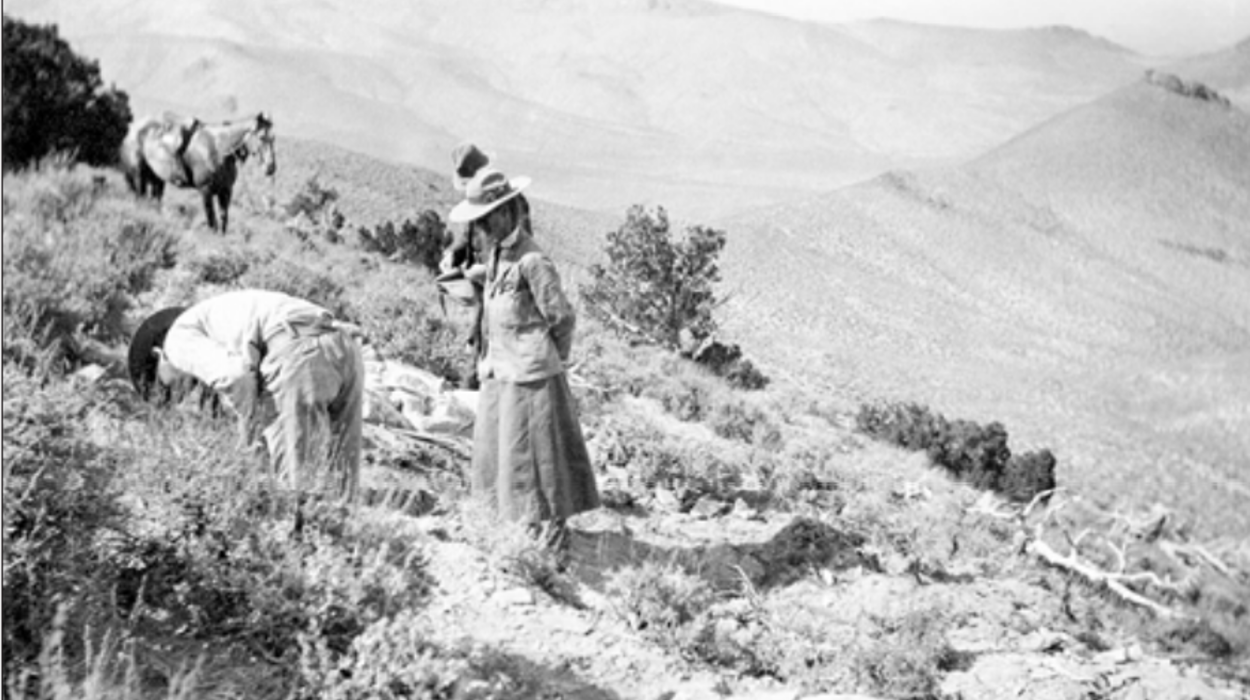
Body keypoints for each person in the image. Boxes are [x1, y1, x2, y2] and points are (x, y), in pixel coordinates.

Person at [447, 167, 599, 538]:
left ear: (505, 212)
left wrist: (548, 360)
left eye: (486, 219)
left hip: (530, 377)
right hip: (499, 371)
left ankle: (543, 534)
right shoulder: (498, 253)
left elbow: (562, 318)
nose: (480, 228)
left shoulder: (533, 261)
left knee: (533, 460)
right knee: (499, 454)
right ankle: (508, 526)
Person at [128, 289, 365, 503]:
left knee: (294, 487)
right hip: (342, 342)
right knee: (343, 479)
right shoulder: (212, 320)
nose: (177, 390)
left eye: (164, 384)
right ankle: (342, 529)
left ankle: (301, 529)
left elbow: (236, 377)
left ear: (158, 354)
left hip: (297, 350)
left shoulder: (176, 341)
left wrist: (249, 440)